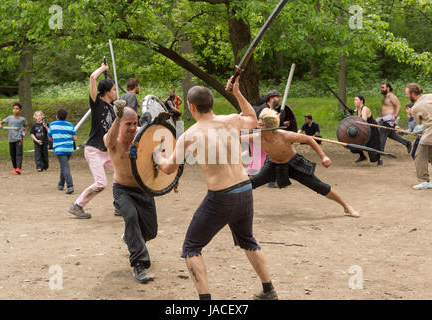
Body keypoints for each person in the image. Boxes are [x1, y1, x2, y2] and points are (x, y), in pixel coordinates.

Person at [155, 76, 278, 300]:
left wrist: (156, 155)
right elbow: (252, 117)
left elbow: (168, 168)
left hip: (222, 197)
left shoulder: (189, 135)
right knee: (248, 240)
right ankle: (269, 290)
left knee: (191, 248)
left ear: (191, 107)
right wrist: (238, 93)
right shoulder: (231, 120)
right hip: (244, 190)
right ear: (211, 103)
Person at [249, 108, 360, 218]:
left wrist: (323, 156)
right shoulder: (256, 137)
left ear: (270, 127)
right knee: (249, 184)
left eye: (260, 125)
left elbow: (309, 139)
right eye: (258, 124)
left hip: (293, 164)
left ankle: (346, 206)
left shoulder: (285, 135)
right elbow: (236, 138)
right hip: (273, 165)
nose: (257, 127)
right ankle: (235, 208)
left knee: (319, 186)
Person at [104, 104, 157, 283]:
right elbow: (108, 142)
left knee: (150, 232)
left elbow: (160, 149)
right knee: (131, 217)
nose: (133, 128)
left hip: (144, 189)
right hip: (122, 190)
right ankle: (139, 265)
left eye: (135, 123)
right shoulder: (113, 141)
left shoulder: (142, 136)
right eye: (128, 124)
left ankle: (130, 237)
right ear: (119, 124)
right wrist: (118, 117)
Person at [69, 62, 117, 219]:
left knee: (123, 174)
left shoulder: (113, 109)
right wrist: (103, 68)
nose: (116, 92)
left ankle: (120, 205)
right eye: (114, 89)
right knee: (101, 183)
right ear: (107, 91)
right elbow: (92, 78)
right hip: (94, 150)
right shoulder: (97, 104)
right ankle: (77, 206)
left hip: (108, 151)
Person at [405, 83, 432, 190]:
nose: (406, 96)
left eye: (407, 94)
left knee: (419, 155)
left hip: (430, 133)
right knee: (430, 156)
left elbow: (420, 125)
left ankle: (424, 181)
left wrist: (415, 131)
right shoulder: (430, 96)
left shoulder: (415, 108)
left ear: (412, 93)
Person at [48, 108, 77, 194]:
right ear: (66, 117)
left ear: (56, 116)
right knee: (64, 165)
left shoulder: (52, 125)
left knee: (65, 166)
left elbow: (50, 138)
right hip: (69, 148)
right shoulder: (71, 125)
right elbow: (75, 138)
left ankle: (70, 186)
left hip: (59, 148)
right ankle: (61, 184)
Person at [378, 83, 412, 153]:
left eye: (383, 87)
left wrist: (395, 116)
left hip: (389, 119)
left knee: (382, 133)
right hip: (385, 119)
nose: (381, 89)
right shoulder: (386, 96)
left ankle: (380, 151)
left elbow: (399, 106)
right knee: (392, 135)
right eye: (381, 87)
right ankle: (407, 143)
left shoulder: (391, 96)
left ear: (388, 88)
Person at [351, 95, 383, 166]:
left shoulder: (364, 109)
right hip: (364, 130)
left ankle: (379, 160)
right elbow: (356, 111)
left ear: (361, 101)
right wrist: (352, 111)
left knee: (373, 148)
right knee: (355, 142)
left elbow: (363, 122)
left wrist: (354, 119)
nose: (354, 102)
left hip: (372, 130)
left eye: (356, 100)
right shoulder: (358, 108)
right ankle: (362, 156)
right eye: (354, 100)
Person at [0, 102, 28, 175]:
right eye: (14, 108)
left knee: (19, 154)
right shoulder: (9, 118)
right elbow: (1, 122)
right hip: (11, 139)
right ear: (12, 110)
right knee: (12, 154)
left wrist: (25, 133)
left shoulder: (22, 119)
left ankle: (19, 168)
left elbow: (26, 125)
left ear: (20, 111)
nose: (15, 110)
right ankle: (15, 168)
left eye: (17, 109)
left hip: (19, 139)